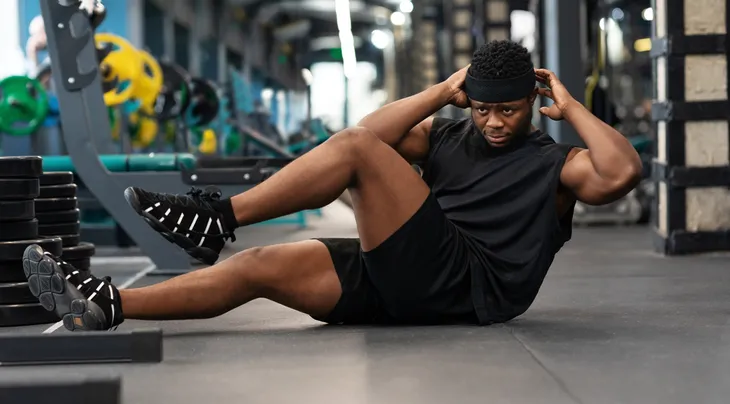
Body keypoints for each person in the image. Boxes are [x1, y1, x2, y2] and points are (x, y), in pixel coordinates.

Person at [23, 40, 642, 331]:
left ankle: (218, 218)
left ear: (531, 103)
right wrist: (440, 93)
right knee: (259, 267)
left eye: (508, 110)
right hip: (405, 277)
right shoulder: (449, 137)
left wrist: (567, 101)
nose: (494, 122)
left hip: (469, 282)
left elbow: (621, 173)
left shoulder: (554, 164)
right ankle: (110, 304)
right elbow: (367, 131)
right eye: (482, 109)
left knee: (352, 153)